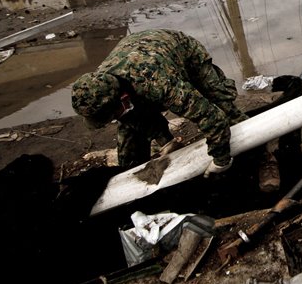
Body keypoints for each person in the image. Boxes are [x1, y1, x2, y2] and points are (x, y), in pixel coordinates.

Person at [70, 29, 280, 191]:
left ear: (123, 99)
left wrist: (221, 160)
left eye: (112, 115)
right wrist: (165, 141)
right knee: (128, 147)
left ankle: (264, 157)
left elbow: (211, 117)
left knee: (223, 108)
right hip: (139, 57)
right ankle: (137, 192)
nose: (112, 120)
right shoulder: (99, 86)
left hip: (184, 55)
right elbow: (133, 118)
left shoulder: (158, 83)